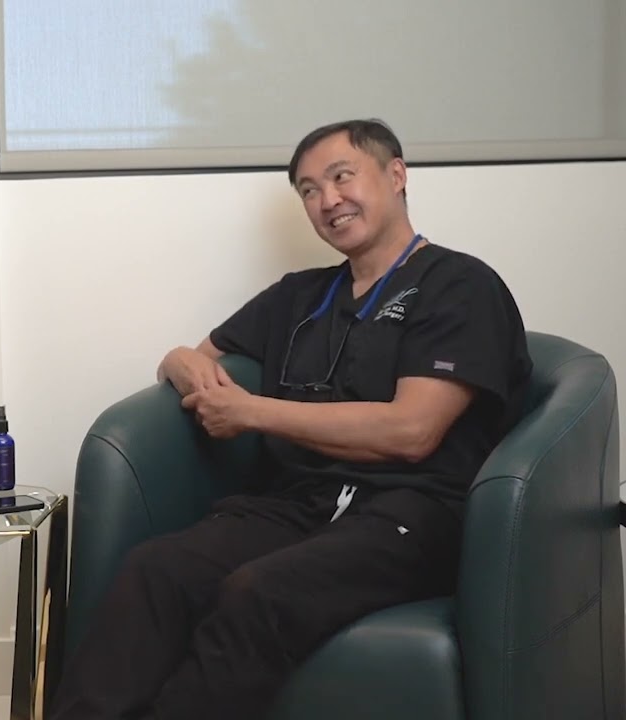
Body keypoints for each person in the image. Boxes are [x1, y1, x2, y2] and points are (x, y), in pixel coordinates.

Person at [52, 119, 533, 719]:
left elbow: (413, 432)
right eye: (308, 190)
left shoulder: (461, 285)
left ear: (397, 175)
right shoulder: (299, 297)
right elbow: (192, 360)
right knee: (157, 569)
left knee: (257, 594)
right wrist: (179, 363)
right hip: (298, 503)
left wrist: (252, 412)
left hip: (411, 513)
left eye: (341, 177)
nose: (327, 200)